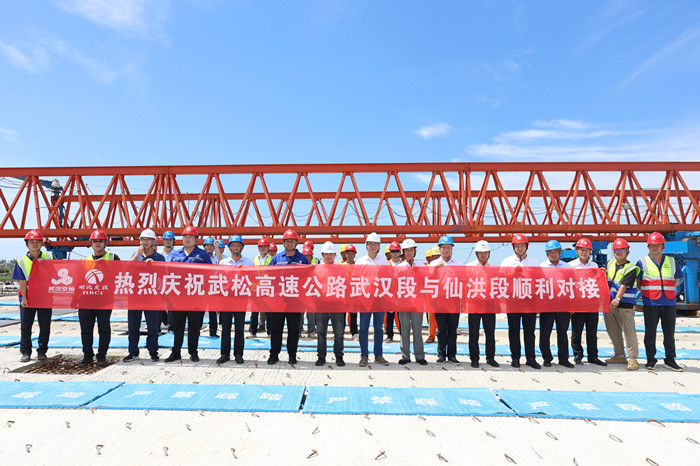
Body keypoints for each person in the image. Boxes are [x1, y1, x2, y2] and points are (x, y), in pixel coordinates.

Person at [637, 232, 683, 371]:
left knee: (669, 333)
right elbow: (639, 283)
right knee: (650, 333)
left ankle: (670, 359)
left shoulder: (672, 261)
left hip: (669, 302)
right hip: (651, 303)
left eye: (657, 245)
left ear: (663, 246)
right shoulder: (642, 262)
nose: (655, 247)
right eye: (652, 245)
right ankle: (651, 360)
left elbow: (676, 280)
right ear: (648, 247)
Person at [166, 226, 212, 363]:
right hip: (178, 297)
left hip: (196, 297)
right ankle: (176, 352)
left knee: (194, 326)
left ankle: (193, 352)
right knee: (177, 325)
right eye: (185, 236)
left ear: (196, 239)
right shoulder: (175, 254)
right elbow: (168, 272)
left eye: (191, 237)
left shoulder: (203, 255)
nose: (187, 239)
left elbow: (210, 272)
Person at [268, 229, 309, 365]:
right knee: (276, 329)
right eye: (287, 241)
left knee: (294, 329)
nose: (289, 243)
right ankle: (274, 354)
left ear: (296, 243)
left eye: (292, 241)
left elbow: (307, 278)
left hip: (295, 301)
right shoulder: (276, 259)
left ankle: (292, 354)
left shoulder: (302, 259)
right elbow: (268, 276)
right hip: (278, 301)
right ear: (283, 243)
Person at [79, 229, 119, 366]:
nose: (97, 243)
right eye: (95, 241)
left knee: (104, 329)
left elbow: (120, 274)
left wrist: (106, 266)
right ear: (91, 243)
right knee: (86, 330)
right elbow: (79, 279)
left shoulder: (113, 258)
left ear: (105, 243)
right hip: (86, 300)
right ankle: (87, 356)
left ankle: (101, 355)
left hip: (104, 300)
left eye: (100, 241)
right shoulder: (84, 260)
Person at [500, 234, 541, 369]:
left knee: (530, 331)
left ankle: (531, 358)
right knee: (514, 331)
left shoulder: (534, 262)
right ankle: (515, 358)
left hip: (529, 301)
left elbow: (540, 279)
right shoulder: (506, 262)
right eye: (517, 246)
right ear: (513, 247)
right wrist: (511, 273)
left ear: (526, 246)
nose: (520, 248)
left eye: (522, 245)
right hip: (513, 301)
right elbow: (499, 279)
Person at [13, 230, 53, 362]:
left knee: (45, 326)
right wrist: (24, 298)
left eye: (37, 242)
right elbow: (22, 281)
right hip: (28, 298)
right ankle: (25, 352)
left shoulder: (49, 257)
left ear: (41, 243)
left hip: (44, 297)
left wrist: (45, 265)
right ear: (27, 244)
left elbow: (56, 273)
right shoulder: (21, 261)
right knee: (26, 326)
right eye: (32, 242)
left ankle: (42, 351)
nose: (35, 244)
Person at [124, 229, 164, 362]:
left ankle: (153, 351)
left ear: (153, 241)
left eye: (148, 239)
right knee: (133, 326)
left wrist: (154, 266)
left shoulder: (159, 257)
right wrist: (137, 255)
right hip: (135, 296)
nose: (145, 242)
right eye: (143, 239)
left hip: (152, 296)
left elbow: (164, 275)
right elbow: (126, 269)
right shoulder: (136, 255)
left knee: (153, 327)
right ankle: (133, 352)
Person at [604, 238, 640, 371]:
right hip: (610, 304)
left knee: (629, 332)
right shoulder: (610, 264)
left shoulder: (631, 268)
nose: (619, 252)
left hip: (625, 304)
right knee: (613, 330)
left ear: (627, 251)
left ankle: (633, 358)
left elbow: (624, 285)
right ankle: (619, 355)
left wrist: (617, 298)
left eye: (622, 249)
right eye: (616, 250)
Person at [569, 238, 607, 366]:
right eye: (581, 249)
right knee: (577, 332)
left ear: (590, 251)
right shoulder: (571, 266)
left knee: (592, 332)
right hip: (578, 304)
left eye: (586, 250)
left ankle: (593, 356)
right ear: (577, 251)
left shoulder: (594, 266)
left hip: (591, 304)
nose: (584, 252)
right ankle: (578, 355)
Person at [355, 232, 391, 367]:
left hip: (379, 299)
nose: (372, 246)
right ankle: (364, 355)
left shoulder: (383, 261)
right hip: (364, 300)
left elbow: (389, 280)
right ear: (366, 245)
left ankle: (378, 355)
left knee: (379, 328)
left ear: (379, 246)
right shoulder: (360, 261)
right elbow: (356, 280)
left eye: (375, 244)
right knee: (363, 328)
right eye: (370, 244)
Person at [217, 235, 253, 365]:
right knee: (225, 329)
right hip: (226, 299)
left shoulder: (248, 263)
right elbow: (218, 280)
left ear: (242, 247)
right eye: (233, 246)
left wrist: (244, 272)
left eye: (238, 245)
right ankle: (224, 354)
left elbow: (253, 280)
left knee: (239, 328)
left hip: (241, 299)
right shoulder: (223, 263)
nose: (235, 248)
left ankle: (238, 354)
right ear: (229, 248)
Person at [539, 240, 574, 369]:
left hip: (563, 305)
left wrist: (572, 305)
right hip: (547, 305)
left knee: (562, 332)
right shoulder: (541, 267)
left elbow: (573, 286)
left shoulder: (568, 267)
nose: (553, 254)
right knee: (545, 333)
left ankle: (564, 359)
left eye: (555, 251)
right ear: (546, 253)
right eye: (550, 252)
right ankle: (546, 358)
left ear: (559, 252)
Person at [466, 240, 498, 368]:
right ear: (476, 253)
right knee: (474, 333)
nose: (483, 255)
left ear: (489, 253)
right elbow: (465, 284)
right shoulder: (470, 267)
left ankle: (490, 357)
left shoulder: (493, 268)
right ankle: (474, 358)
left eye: (485, 252)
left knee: (490, 333)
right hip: (474, 304)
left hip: (489, 305)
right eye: (480, 252)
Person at [429, 235, 461, 365]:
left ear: (452, 249)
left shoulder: (458, 264)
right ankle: (441, 355)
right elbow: (427, 280)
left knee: (453, 329)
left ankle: (452, 355)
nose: (446, 250)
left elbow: (463, 281)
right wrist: (435, 270)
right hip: (440, 301)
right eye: (443, 247)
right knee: (441, 330)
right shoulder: (433, 264)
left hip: (454, 301)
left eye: (448, 247)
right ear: (439, 249)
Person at [314, 241, 346, 367]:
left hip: (337, 305)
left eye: (331, 254)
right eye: (326, 254)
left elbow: (346, 285)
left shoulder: (340, 268)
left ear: (335, 255)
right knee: (321, 333)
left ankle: (339, 356)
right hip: (321, 306)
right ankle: (321, 356)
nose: (329, 256)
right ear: (322, 254)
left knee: (339, 333)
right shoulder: (316, 269)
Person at [397, 239, 427, 365]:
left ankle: (420, 356)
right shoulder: (399, 268)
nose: (409, 252)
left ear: (415, 251)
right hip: (403, 303)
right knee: (404, 330)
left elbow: (427, 280)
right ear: (403, 252)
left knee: (417, 330)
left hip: (417, 304)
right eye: (406, 250)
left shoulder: (421, 266)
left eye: (411, 250)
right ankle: (405, 356)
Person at [250, 238, 273, 338]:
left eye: (265, 246)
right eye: (261, 247)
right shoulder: (252, 259)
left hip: (268, 289)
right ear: (258, 248)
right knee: (254, 313)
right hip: (256, 289)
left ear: (268, 248)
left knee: (269, 313)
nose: (263, 248)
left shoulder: (272, 259)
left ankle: (270, 333)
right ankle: (252, 332)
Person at [158, 230, 176, 329]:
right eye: (166, 239)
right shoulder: (158, 253)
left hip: (172, 284)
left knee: (172, 307)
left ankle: (171, 328)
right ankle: (161, 324)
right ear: (163, 241)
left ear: (173, 241)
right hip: (159, 284)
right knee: (159, 307)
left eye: (170, 240)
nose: (168, 241)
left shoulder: (177, 254)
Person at [384, 240, 402, 343]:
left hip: (402, 294)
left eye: (397, 251)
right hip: (390, 294)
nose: (395, 253)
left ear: (400, 252)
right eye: (393, 251)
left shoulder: (405, 264)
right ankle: (389, 335)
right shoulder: (386, 264)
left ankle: (403, 335)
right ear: (390, 252)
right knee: (390, 316)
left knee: (402, 317)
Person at [300, 244, 318, 338]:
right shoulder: (299, 266)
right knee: (300, 313)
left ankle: (311, 331)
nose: (307, 258)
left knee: (311, 314)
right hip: (301, 293)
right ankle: (299, 330)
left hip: (311, 292)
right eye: (305, 256)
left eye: (309, 256)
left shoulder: (316, 265)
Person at [342, 244, 359, 340]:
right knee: (342, 315)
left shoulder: (358, 266)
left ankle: (354, 332)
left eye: (352, 253)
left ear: (355, 255)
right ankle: (340, 332)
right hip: (343, 293)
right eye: (348, 253)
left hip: (354, 293)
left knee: (353, 314)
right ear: (345, 254)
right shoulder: (341, 266)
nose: (350, 255)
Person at [424, 246, 440, 343]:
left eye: (438, 256)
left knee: (442, 318)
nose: (435, 258)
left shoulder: (444, 267)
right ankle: (431, 336)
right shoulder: (427, 268)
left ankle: (442, 335)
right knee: (431, 318)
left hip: (441, 296)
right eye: (434, 256)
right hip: (430, 296)